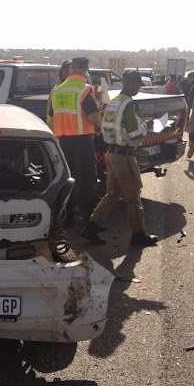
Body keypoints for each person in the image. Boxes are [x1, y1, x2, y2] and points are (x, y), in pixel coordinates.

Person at [81, 70, 158, 247]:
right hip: (124, 156)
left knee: (113, 194)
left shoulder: (114, 102)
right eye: (138, 83)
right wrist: (147, 127)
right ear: (130, 83)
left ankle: (90, 227)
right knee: (133, 195)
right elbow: (134, 132)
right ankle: (139, 235)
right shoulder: (129, 104)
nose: (139, 87)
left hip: (111, 154)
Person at [50, 57, 101, 228]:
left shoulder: (58, 90)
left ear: (71, 69)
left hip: (63, 141)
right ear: (86, 69)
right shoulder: (84, 89)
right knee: (87, 180)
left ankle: (68, 215)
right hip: (82, 141)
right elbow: (93, 117)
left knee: (68, 179)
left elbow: (52, 113)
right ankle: (90, 220)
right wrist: (98, 117)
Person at [46, 60, 71, 131]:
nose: (66, 73)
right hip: (60, 129)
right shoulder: (58, 89)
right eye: (66, 71)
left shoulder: (57, 88)